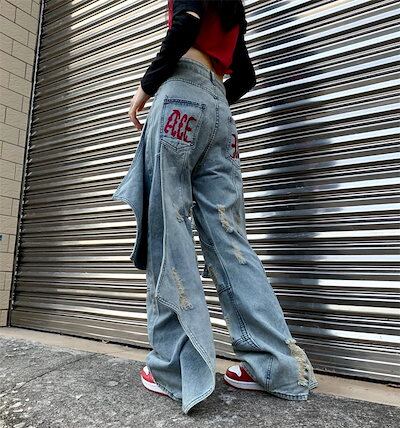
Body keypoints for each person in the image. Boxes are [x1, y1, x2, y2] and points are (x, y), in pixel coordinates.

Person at [112, 0, 319, 415]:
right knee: (231, 241)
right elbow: (246, 75)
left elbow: (186, 23)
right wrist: (212, 100)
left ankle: (175, 369)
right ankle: (278, 368)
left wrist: (146, 89)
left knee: (168, 232)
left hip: (179, 99)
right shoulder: (232, 5)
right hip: (219, 112)